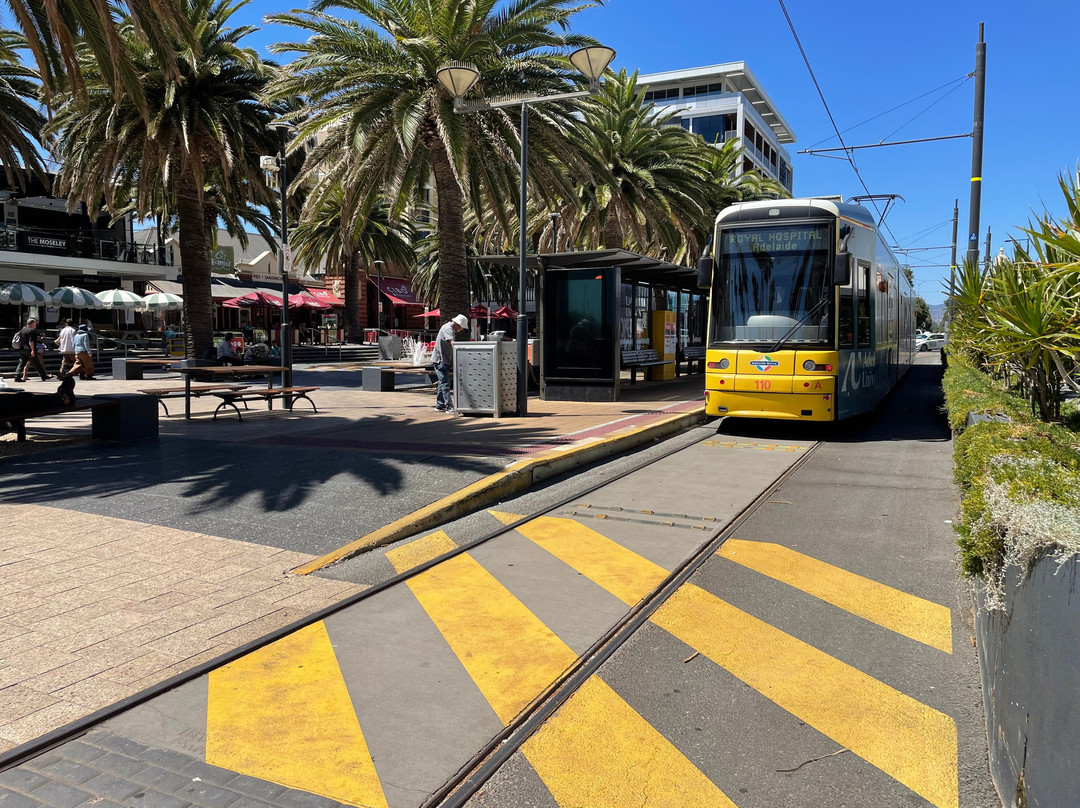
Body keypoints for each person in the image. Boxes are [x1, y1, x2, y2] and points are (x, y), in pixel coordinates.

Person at [432, 314, 468, 413]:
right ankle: (449, 406)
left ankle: (439, 405)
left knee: (442, 382)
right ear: (457, 324)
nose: (461, 330)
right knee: (445, 383)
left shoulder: (449, 328)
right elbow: (452, 343)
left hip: (443, 360)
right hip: (440, 360)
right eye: (461, 327)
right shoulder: (448, 328)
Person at [15, 318, 49, 382]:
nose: (36, 325)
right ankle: (43, 376)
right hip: (29, 349)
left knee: (22, 363)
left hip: (22, 349)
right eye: (35, 324)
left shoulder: (22, 330)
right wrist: (33, 350)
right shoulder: (31, 331)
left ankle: (17, 376)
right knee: (37, 363)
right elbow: (31, 341)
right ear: (32, 324)